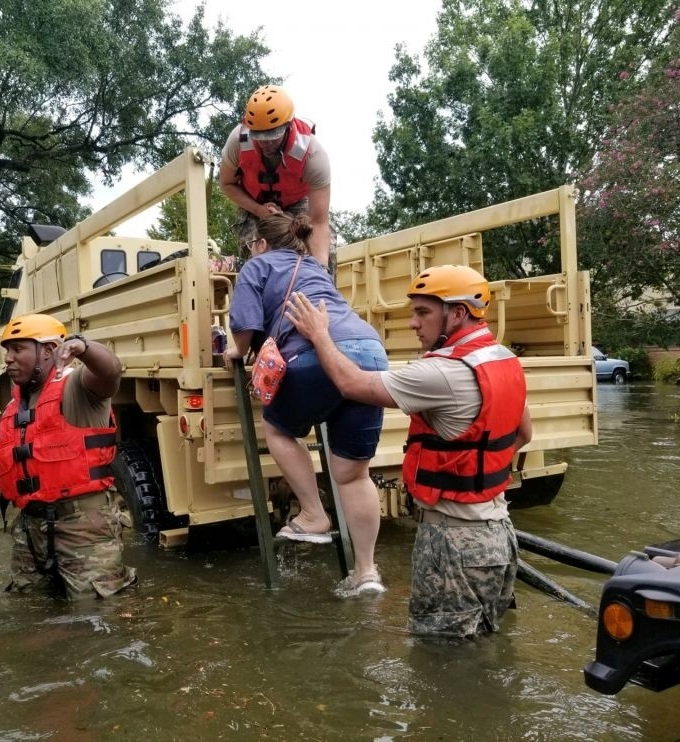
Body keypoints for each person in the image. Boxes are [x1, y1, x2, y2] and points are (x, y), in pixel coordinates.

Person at [286, 265, 533, 637]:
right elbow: (523, 434)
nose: (413, 324)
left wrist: (320, 335)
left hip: (455, 545)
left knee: (441, 664)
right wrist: (472, 469)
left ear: (458, 313)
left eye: (423, 312)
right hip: (498, 534)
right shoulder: (502, 360)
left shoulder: (441, 373)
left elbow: (351, 383)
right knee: (481, 650)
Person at [223, 212, 388, 596]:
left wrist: (236, 351)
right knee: (353, 474)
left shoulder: (257, 265)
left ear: (260, 244)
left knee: (279, 428)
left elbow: (244, 328)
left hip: (317, 357)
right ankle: (366, 572)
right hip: (371, 352)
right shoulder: (313, 266)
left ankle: (313, 513)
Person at [0, 313, 137, 600]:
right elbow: (0, 472)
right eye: (6, 350)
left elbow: (110, 373)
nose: (8, 358)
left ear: (49, 351)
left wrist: (83, 347)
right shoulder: (14, 407)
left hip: (83, 527)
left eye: (18, 349)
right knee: (29, 610)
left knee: (95, 617)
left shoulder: (78, 388)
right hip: (31, 530)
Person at [219, 84, 332, 269]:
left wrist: (320, 270)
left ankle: (323, 291)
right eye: (260, 136)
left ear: (288, 125)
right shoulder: (237, 142)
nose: (266, 143)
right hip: (253, 204)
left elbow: (319, 221)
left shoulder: (313, 154)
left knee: (322, 253)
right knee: (258, 255)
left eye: (273, 135)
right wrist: (258, 209)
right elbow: (227, 184)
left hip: (298, 204)